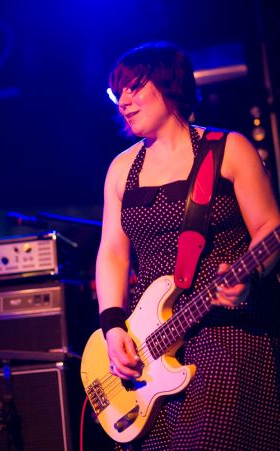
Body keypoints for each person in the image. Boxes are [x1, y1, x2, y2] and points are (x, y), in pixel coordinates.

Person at [95, 41, 280, 450]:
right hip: (152, 342)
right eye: (118, 92)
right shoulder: (121, 169)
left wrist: (252, 277)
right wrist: (111, 328)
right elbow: (112, 252)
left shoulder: (228, 148)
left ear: (169, 85)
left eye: (134, 87)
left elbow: (270, 227)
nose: (123, 100)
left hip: (227, 330)